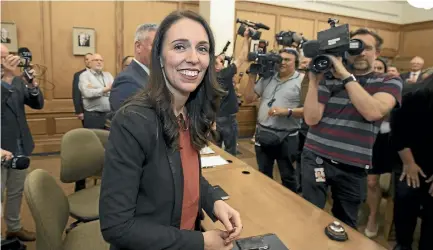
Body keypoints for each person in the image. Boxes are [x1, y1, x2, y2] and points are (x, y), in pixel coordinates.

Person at [99, 10, 242, 250]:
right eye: (179, 46)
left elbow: (182, 173)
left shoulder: (189, 112)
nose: (194, 57)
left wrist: (214, 202)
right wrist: (200, 242)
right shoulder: (133, 120)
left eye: (203, 48)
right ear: (160, 57)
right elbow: (116, 227)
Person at [302, 28, 402, 229]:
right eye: (355, 47)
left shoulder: (389, 81)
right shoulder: (329, 78)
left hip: (353, 166)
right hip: (316, 157)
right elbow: (311, 119)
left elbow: (373, 112)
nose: (361, 52)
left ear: (378, 53)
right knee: (309, 213)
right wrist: (314, 83)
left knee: (346, 224)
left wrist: (346, 76)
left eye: (368, 48)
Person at [243, 48, 304, 192]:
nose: (282, 62)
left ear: (296, 62)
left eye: (287, 60)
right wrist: (252, 75)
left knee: (288, 176)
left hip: (287, 137)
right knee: (263, 174)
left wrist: (287, 111)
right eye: (280, 59)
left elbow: (309, 111)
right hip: (263, 134)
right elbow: (248, 98)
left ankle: (291, 207)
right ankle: (267, 204)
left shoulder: (302, 80)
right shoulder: (268, 77)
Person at [1, 43, 43, 241]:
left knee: (16, 191)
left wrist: (33, 86)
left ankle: (14, 227)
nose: (7, 59)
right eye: (2, 57)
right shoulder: (10, 78)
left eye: (7, 55)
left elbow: (37, 104)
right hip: (1, 148)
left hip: (20, 144)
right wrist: (7, 78)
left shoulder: (17, 81)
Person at [390, 74, 433, 250]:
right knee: (405, 199)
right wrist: (409, 163)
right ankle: (403, 244)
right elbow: (397, 130)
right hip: (409, 158)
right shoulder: (415, 95)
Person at [214, 28, 250, 156]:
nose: (222, 64)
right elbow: (242, 57)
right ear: (216, 66)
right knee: (230, 153)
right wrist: (246, 38)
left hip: (212, 119)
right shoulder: (224, 74)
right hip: (228, 120)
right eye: (220, 62)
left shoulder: (207, 78)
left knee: (215, 151)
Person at [109, 23, 157, 114]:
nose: (160, 52)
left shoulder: (156, 76)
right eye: (155, 46)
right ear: (138, 46)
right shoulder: (127, 80)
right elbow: (129, 122)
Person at [72, 52, 92, 126]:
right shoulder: (78, 75)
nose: (89, 61)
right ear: (84, 61)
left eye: (91, 59)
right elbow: (76, 94)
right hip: (85, 110)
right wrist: (79, 111)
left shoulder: (101, 74)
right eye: (87, 59)